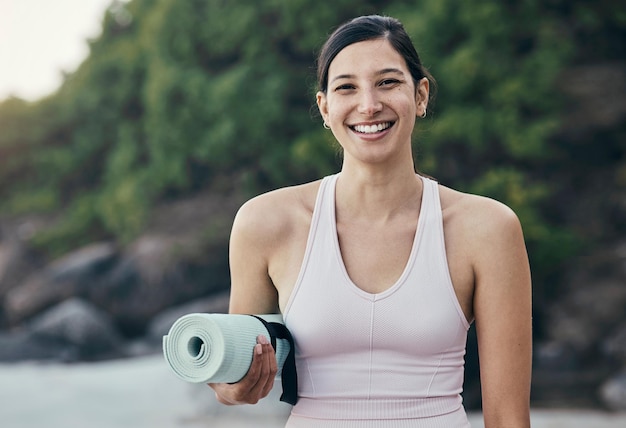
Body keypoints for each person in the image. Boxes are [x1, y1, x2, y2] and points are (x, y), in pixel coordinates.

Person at [209, 14, 532, 428]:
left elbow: (507, 419)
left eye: (388, 82)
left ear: (420, 95)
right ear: (325, 107)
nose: (369, 105)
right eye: (347, 87)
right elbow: (230, 371)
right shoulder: (267, 222)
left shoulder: (487, 228)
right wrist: (233, 387)